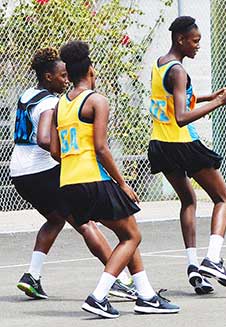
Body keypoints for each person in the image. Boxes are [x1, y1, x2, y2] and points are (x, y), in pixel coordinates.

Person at [52, 40, 179, 318]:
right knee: (133, 235)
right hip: (93, 178)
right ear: (90, 70)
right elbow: (101, 147)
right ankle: (98, 296)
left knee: (127, 233)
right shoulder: (97, 100)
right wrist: (122, 183)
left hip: (68, 182)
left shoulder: (59, 105)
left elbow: (54, 150)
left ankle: (146, 296)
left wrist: (74, 163)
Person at [12, 47, 136, 301]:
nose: (66, 79)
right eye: (62, 75)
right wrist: (63, 156)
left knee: (56, 219)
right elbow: (45, 138)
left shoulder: (27, 95)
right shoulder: (50, 103)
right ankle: (119, 280)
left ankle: (32, 276)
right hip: (42, 170)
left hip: (19, 171)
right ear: (48, 77)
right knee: (85, 223)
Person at [148, 16, 226, 294]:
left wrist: (208, 96)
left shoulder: (160, 64)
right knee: (223, 198)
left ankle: (193, 267)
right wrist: (218, 102)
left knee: (188, 200)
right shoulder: (178, 71)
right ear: (180, 39)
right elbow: (180, 117)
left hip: (161, 145)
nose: (198, 46)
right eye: (195, 40)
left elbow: (172, 100)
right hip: (182, 144)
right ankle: (213, 259)